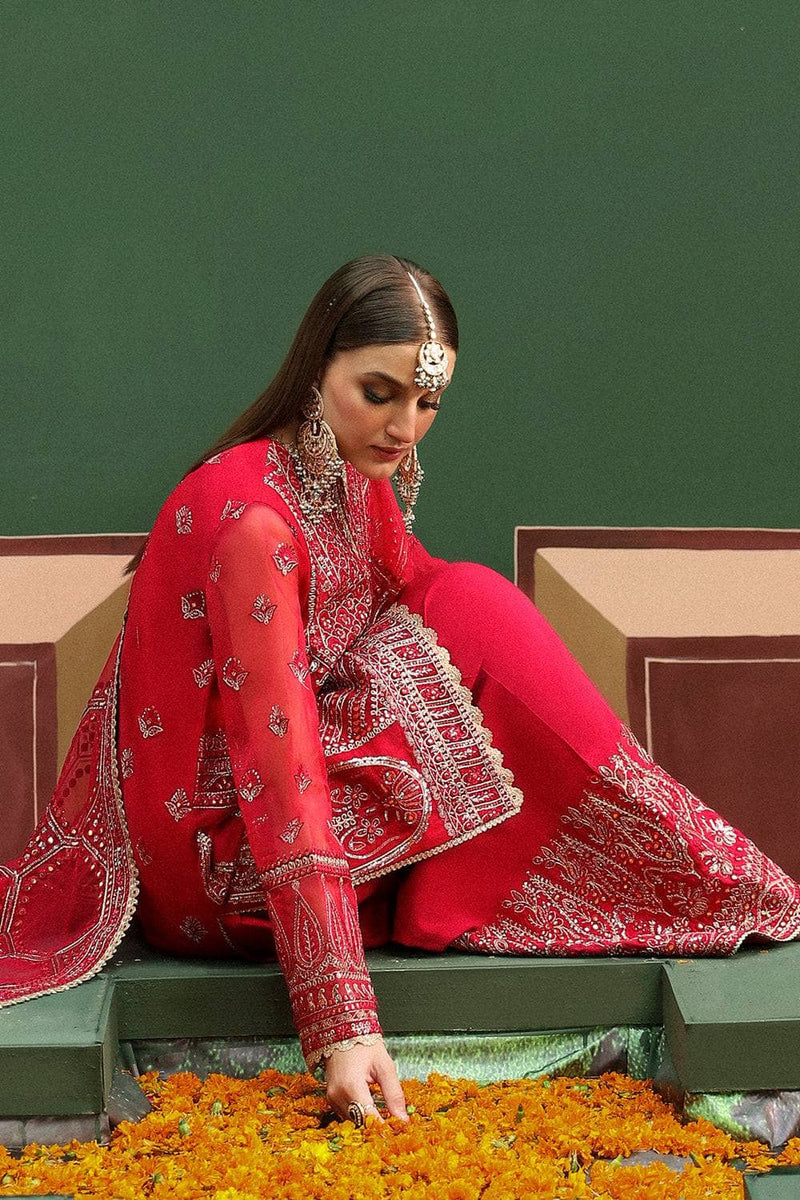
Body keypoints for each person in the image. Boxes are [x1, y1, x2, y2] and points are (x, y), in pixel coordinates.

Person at [2, 253, 800, 1129]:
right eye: (378, 393)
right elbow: (279, 774)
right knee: (459, 705)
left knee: (472, 601)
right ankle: (686, 867)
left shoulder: (346, 470)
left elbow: (430, 604)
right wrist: (341, 1024)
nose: (404, 427)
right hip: (223, 866)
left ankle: (686, 855)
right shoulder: (255, 526)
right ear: (316, 369)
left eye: (428, 403)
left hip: (285, 781)